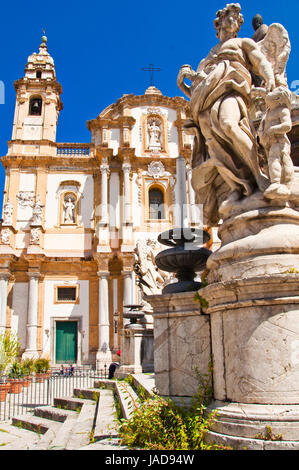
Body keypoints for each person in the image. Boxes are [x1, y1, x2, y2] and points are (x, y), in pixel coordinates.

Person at [177, 3, 275, 226]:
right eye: (230, 17)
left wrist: (269, 79)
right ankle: (238, 185)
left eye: (237, 18)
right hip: (206, 102)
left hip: (231, 89)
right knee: (213, 147)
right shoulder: (210, 55)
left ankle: (258, 176)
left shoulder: (243, 43)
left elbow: (261, 62)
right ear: (219, 23)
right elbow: (197, 89)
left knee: (230, 125)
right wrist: (184, 85)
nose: (234, 21)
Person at [258, 86, 293, 199]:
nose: (269, 93)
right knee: (272, 160)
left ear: (278, 98)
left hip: (279, 141)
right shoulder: (269, 111)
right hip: (269, 142)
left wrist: (272, 129)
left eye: (273, 92)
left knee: (275, 159)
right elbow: (265, 95)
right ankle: (276, 181)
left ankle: (276, 183)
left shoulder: (282, 110)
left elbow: (287, 125)